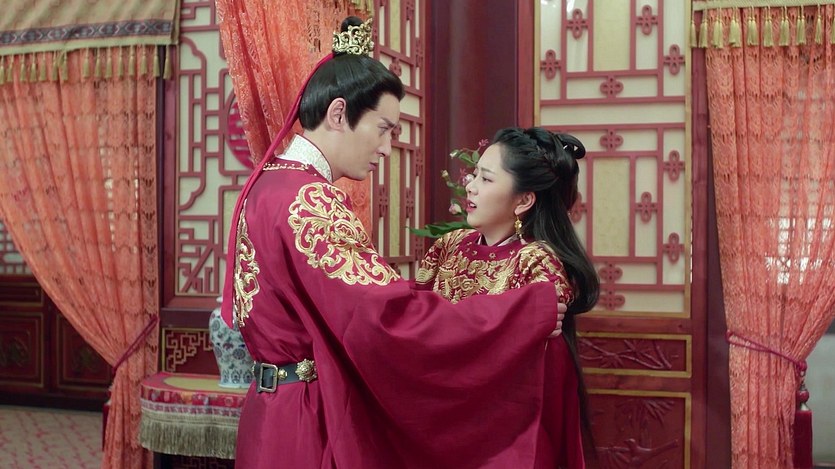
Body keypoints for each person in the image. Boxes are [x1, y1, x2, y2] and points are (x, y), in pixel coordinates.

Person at [221, 17, 568, 468]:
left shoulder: (267, 186)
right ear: (339, 114)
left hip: (272, 412)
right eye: (383, 128)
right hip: (305, 421)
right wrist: (526, 310)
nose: (386, 148)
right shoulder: (309, 200)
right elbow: (385, 318)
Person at [415, 127, 601, 468]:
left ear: (524, 200)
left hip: (503, 435)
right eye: (474, 175)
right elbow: (415, 316)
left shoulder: (537, 265)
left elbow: (535, 372)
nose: (470, 186)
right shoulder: (449, 246)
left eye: (486, 179)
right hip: (436, 414)